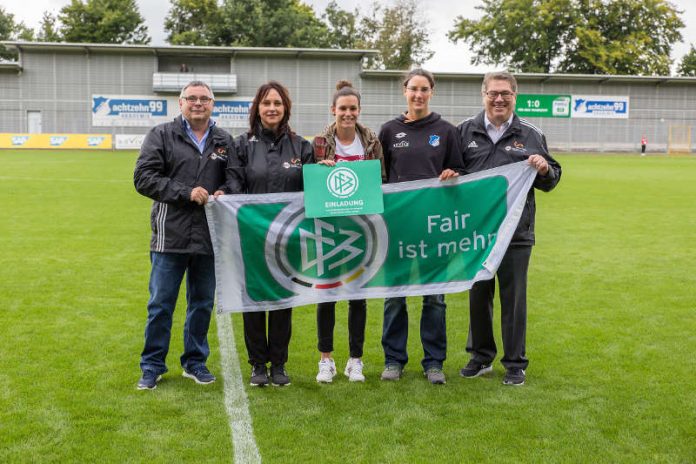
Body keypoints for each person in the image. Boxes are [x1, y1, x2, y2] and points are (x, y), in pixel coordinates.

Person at [457, 71, 561, 386]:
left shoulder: (530, 133)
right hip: (476, 233)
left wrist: (544, 169)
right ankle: (481, 356)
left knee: (513, 299)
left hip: (516, 233)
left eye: (505, 93)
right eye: (493, 93)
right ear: (483, 95)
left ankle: (515, 363)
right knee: (478, 295)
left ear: (515, 96)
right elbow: (455, 174)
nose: (499, 99)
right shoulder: (464, 132)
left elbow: (552, 177)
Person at [134, 80, 233, 390]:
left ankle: (194, 362)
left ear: (213, 104)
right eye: (192, 98)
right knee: (161, 304)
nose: (198, 103)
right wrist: (185, 192)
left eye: (204, 98)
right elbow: (143, 178)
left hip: (209, 237)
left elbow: (236, 180)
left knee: (201, 303)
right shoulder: (161, 134)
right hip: (169, 236)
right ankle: (152, 366)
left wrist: (224, 191)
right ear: (180, 103)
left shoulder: (225, 140)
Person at [224, 81, 314, 387]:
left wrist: (324, 174)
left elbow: (312, 191)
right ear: (257, 109)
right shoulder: (241, 145)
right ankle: (257, 365)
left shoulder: (302, 147)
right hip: (252, 237)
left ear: (286, 107)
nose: (272, 108)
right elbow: (234, 184)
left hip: (289, 239)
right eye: (266, 103)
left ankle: (279, 364)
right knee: (253, 301)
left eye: (277, 103)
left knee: (281, 302)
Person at [378, 68, 463, 385]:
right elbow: (379, 179)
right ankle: (393, 360)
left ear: (431, 92)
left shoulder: (446, 131)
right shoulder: (388, 131)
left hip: (433, 228)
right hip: (397, 228)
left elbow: (460, 172)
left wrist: (453, 175)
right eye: (413, 88)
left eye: (424, 89)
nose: (418, 94)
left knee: (434, 298)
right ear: (404, 91)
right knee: (394, 296)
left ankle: (434, 362)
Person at [312, 80, 385, 383]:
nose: (348, 113)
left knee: (358, 295)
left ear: (359, 110)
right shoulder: (319, 142)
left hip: (361, 230)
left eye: (352, 108)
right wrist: (320, 168)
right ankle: (326, 360)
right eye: (343, 108)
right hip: (328, 230)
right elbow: (310, 184)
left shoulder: (371, 141)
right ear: (333, 110)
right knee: (327, 295)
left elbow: (382, 179)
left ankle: (355, 360)